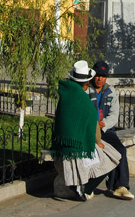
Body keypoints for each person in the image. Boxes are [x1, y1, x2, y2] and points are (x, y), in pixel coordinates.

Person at [50, 60, 121, 201]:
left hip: (61, 142)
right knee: (113, 156)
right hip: (79, 144)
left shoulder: (65, 95)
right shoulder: (84, 100)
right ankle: (85, 188)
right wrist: (98, 142)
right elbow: (93, 126)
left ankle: (80, 187)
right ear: (87, 83)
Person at [87, 60, 134, 200]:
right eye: (97, 75)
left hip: (105, 130)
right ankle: (87, 186)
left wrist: (104, 124)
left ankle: (120, 186)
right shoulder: (86, 90)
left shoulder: (110, 91)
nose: (100, 79)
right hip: (89, 130)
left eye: (103, 76)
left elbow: (114, 114)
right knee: (96, 152)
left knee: (119, 150)